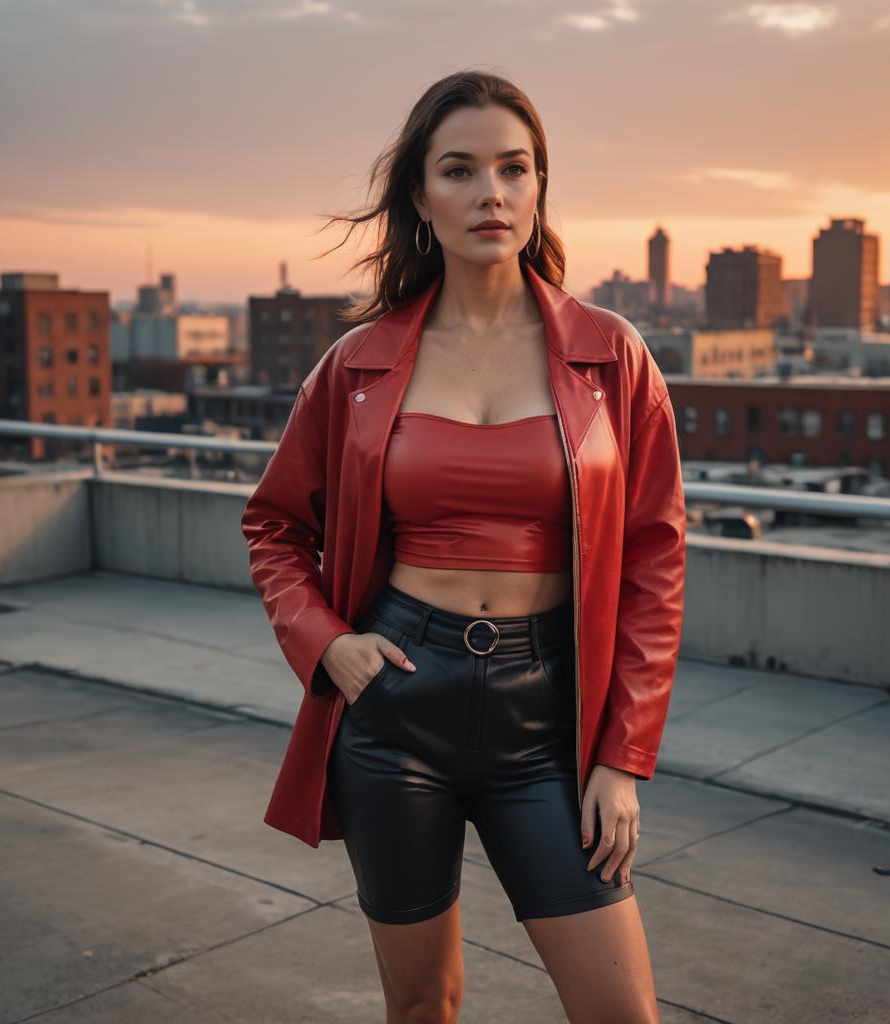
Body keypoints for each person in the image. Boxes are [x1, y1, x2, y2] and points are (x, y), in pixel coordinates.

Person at [241, 70, 686, 1024]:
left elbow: (656, 560)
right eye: (461, 169)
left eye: (514, 169)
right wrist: (327, 644)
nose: (492, 192)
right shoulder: (357, 364)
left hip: (551, 721)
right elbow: (274, 525)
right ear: (420, 196)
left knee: (622, 1012)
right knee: (423, 1006)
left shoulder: (612, 357)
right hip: (400, 703)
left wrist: (624, 757)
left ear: (538, 189)